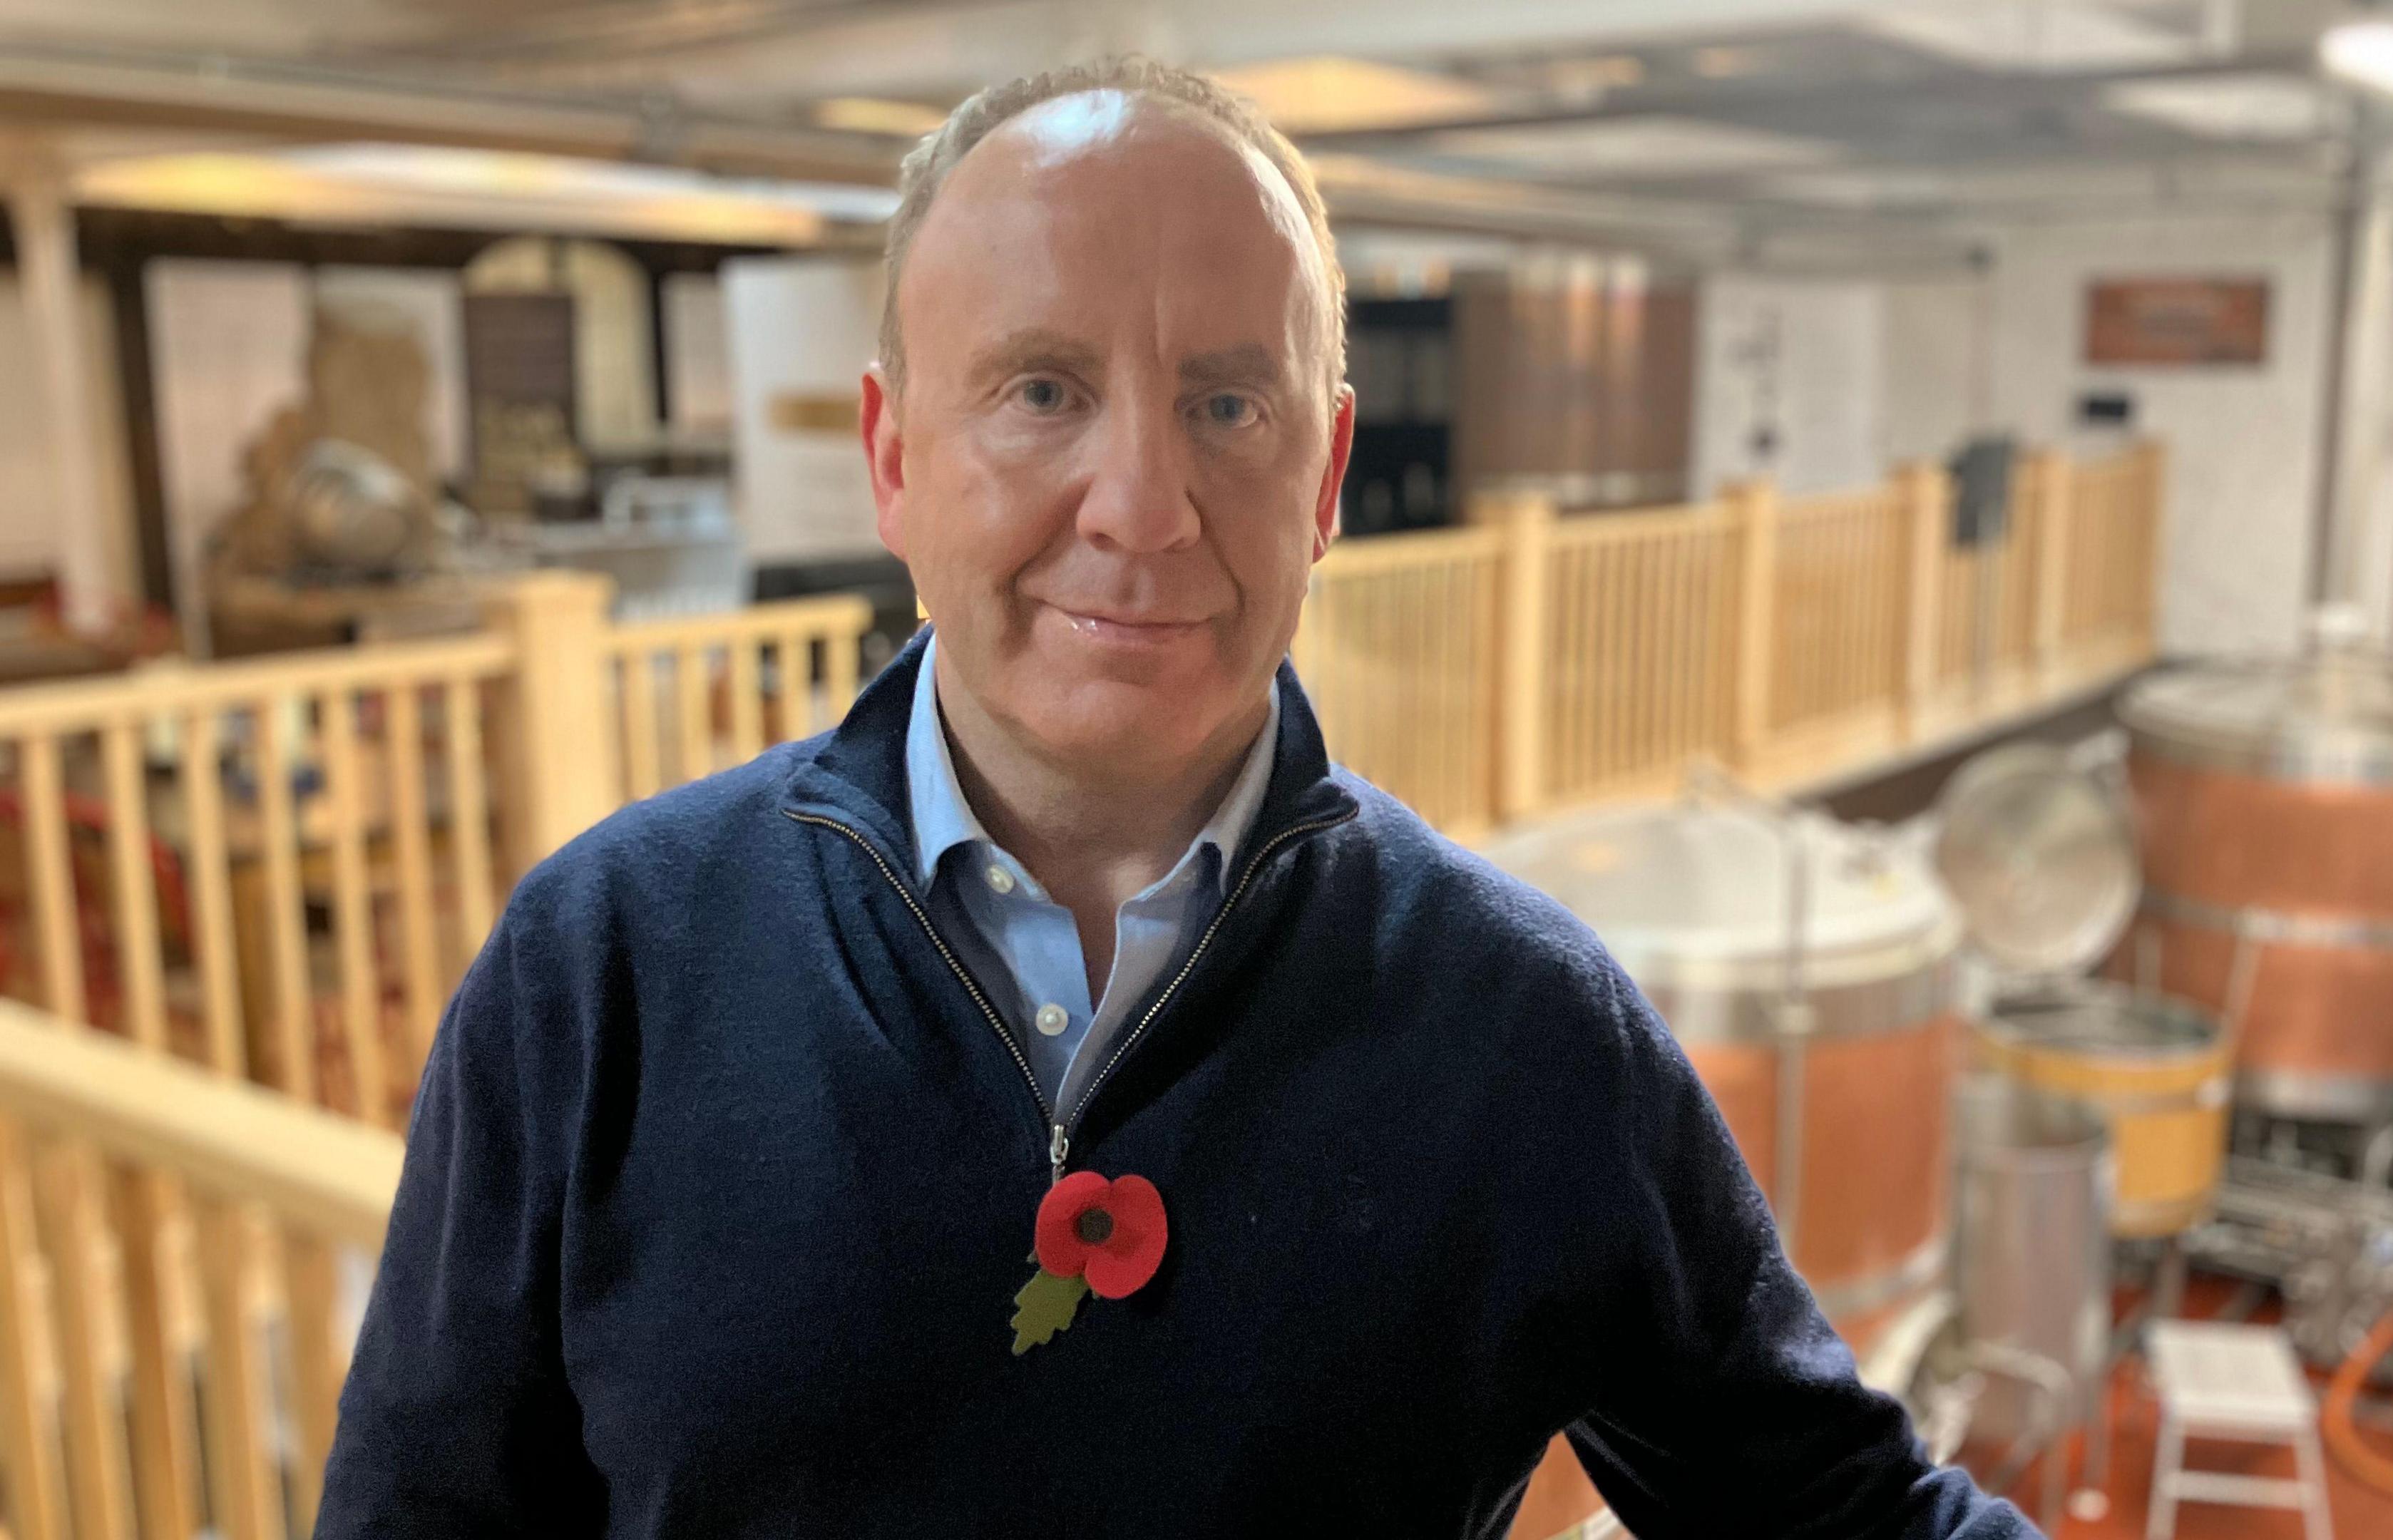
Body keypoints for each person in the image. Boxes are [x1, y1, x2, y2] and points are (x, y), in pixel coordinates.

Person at [317, 56, 2034, 1539]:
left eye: (1227, 402)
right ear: (895, 453)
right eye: (1043, 390)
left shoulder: (1523, 1032)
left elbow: (1839, 1512)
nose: (1141, 505)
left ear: (1329, 475)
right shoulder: (600, 969)